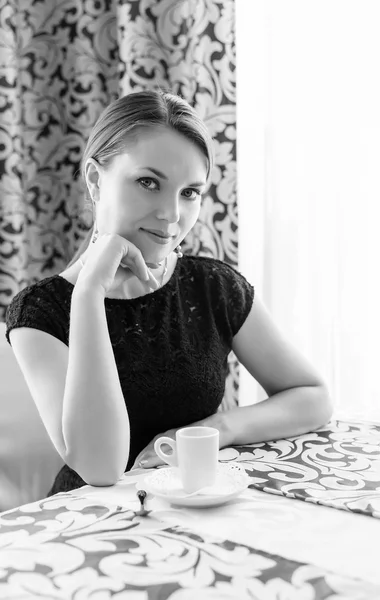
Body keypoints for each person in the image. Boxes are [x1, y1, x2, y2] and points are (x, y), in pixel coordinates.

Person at [5, 90, 333, 495]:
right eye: (148, 182)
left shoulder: (213, 287)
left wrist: (218, 428)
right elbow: (100, 467)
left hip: (197, 508)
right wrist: (89, 293)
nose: (172, 215)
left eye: (189, 192)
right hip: (90, 526)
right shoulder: (39, 312)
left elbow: (313, 397)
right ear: (94, 179)